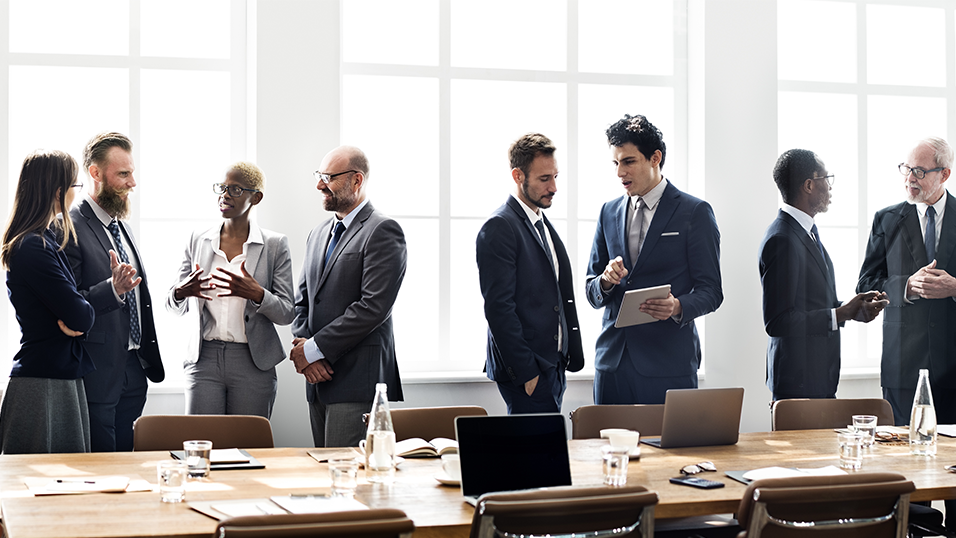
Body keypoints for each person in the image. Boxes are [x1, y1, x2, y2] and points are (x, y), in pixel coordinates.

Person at [585, 114, 722, 405]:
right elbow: (591, 289)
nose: (620, 172)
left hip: (668, 365)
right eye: (615, 163)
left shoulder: (694, 212)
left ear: (655, 158)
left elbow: (712, 291)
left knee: (670, 452)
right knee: (610, 451)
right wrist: (606, 282)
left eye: (629, 161)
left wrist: (677, 306)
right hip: (612, 364)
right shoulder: (607, 212)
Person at [290, 145, 407, 447]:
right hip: (317, 379)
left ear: (357, 181)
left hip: (356, 380)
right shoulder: (318, 233)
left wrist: (313, 350)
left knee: (345, 479)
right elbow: (303, 301)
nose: (319, 185)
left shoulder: (383, 230)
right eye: (319, 176)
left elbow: (373, 307)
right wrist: (306, 357)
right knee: (322, 472)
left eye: (328, 177)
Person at [167, 162, 294, 419]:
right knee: (201, 446)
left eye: (235, 189)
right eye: (222, 188)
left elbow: (287, 313)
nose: (225, 195)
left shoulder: (274, 245)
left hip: (253, 360)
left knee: (248, 447)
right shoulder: (198, 239)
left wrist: (257, 293)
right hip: (203, 359)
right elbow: (172, 303)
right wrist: (181, 292)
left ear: (255, 197)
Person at [760, 149, 888, 401]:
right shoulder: (782, 239)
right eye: (827, 179)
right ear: (808, 185)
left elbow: (811, 304)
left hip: (816, 380)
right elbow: (777, 322)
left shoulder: (805, 231)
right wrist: (841, 314)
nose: (830, 188)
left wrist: (852, 309)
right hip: (797, 385)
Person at [65, 132, 164, 452]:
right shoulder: (69, 227)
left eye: (132, 172)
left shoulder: (122, 226)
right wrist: (112, 289)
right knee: (101, 467)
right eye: (123, 174)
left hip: (135, 367)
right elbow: (68, 304)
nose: (132, 182)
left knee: (128, 463)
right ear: (95, 174)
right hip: (97, 370)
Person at [476, 133, 585, 414]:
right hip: (529, 371)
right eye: (544, 179)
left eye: (555, 177)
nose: (554, 187)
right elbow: (499, 309)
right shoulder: (499, 227)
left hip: (553, 365)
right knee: (532, 455)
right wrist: (527, 374)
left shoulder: (540, 222)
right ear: (517, 176)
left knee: (546, 454)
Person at [0, 149, 95, 453]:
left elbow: (78, 310)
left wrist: (79, 309)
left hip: (57, 376)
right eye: (74, 187)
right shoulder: (33, 247)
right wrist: (80, 312)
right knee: (36, 486)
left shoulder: (45, 241)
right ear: (58, 192)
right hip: (43, 384)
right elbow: (81, 315)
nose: (75, 195)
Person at [858, 137, 956, 426]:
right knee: (900, 457)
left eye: (920, 172)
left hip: (953, 368)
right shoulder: (886, 220)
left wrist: (954, 287)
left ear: (945, 174)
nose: (910, 179)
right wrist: (907, 286)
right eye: (907, 169)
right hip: (902, 368)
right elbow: (865, 284)